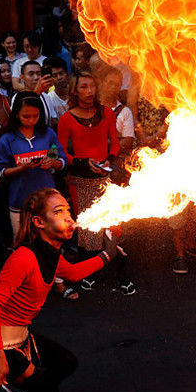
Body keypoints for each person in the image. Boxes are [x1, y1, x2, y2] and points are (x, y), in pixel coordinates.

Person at [0, 187, 119, 392]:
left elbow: (74, 272)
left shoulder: (51, 253)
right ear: (39, 222)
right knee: (47, 390)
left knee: (66, 363)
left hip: (21, 335)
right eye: (58, 212)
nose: (68, 216)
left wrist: (107, 254)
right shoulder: (24, 257)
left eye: (67, 209)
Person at [57, 73, 134, 295]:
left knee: (113, 227)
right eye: (83, 87)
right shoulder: (66, 119)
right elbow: (63, 154)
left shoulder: (107, 113)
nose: (89, 91)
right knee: (89, 232)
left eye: (92, 86)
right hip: (80, 182)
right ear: (75, 91)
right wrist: (83, 162)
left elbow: (115, 143)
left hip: (104, 178)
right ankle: (90, 273)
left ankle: (123, 276)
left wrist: (109, 158)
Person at [0, 93, 68, 238]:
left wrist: (53, 162)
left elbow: (60, 160)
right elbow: (1, 171)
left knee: (50, 242)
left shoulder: (48, 134)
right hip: (20, 202)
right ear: (16, 114)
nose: (32, 120)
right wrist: (20, 169)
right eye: (26, 116)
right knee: (23, 243)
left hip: (48, 203)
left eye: (36, 116)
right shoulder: (8, 139)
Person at [40, 56, 71, 127]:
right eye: (55, 75)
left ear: (67, 74)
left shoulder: (77, 93)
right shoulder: (49, 98)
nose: (59, 78)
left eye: (61, 73)